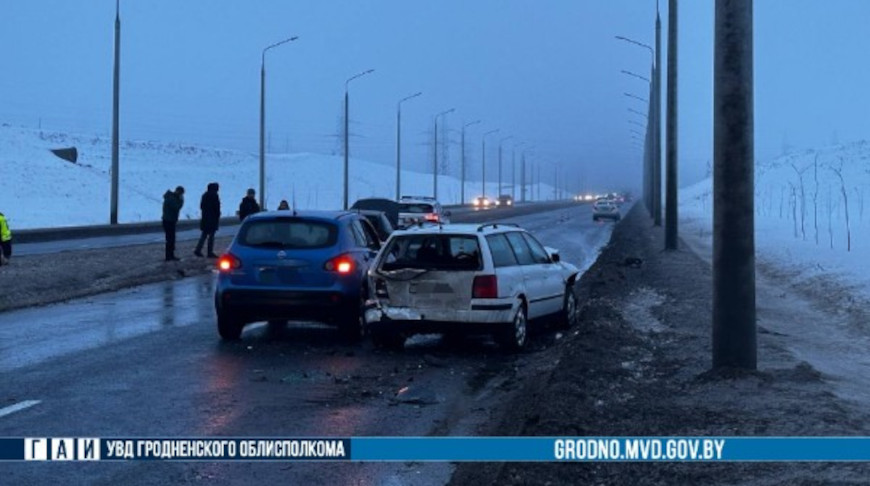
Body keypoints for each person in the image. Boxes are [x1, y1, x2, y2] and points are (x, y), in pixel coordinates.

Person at [194, 182, 221, 258]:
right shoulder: (215, 195)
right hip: (212, 219)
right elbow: (216, 208)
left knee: (204, 235)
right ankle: (210, 252)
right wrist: (217, 214)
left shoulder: (205, 195)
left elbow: (201, 206)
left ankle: (198, 250)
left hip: (205, 218)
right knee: (211, 236)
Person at [161, 186, 185, 261]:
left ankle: (170, 255)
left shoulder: (170, 197)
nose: (181, 195)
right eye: (181, 194)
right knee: (170, 239)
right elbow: (176, 207)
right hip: (169, 221)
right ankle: (169, 256)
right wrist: (181, 201)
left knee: (171, 239)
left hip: (169, 220)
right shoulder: (172, 198)